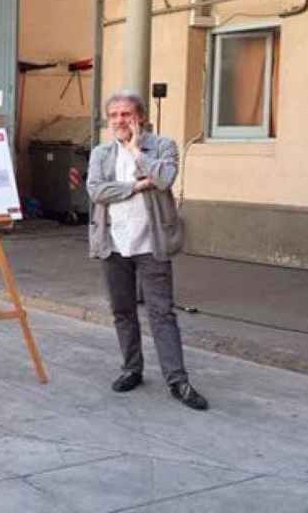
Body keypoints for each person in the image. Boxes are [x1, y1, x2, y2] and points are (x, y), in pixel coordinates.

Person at [86, 90, 208, 411]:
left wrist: (137, 152)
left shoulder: (162, 146)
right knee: (122, 311)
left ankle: (177, 380)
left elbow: (166, 178)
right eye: (113, 116)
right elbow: (97, 191)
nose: (119, 121)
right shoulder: (101, 153)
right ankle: (132, 369)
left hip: (151, 242)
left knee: (161, 313)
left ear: (139, 116)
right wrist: (138, 186)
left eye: (125, 114)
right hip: (113, 243)